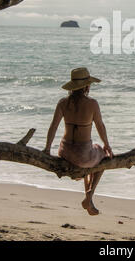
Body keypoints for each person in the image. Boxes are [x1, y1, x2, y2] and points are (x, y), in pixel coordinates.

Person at [43, 67, 113, 216]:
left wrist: (47, 149)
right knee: (102, 157)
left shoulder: (63, 103)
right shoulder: (92, 104)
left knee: (90, 155)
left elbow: (53, 127)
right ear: (87, 86)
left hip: (65, 152)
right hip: (82, 155)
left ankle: (89, 199)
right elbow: (100, 126)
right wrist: (107, 145)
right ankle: (89, 195)